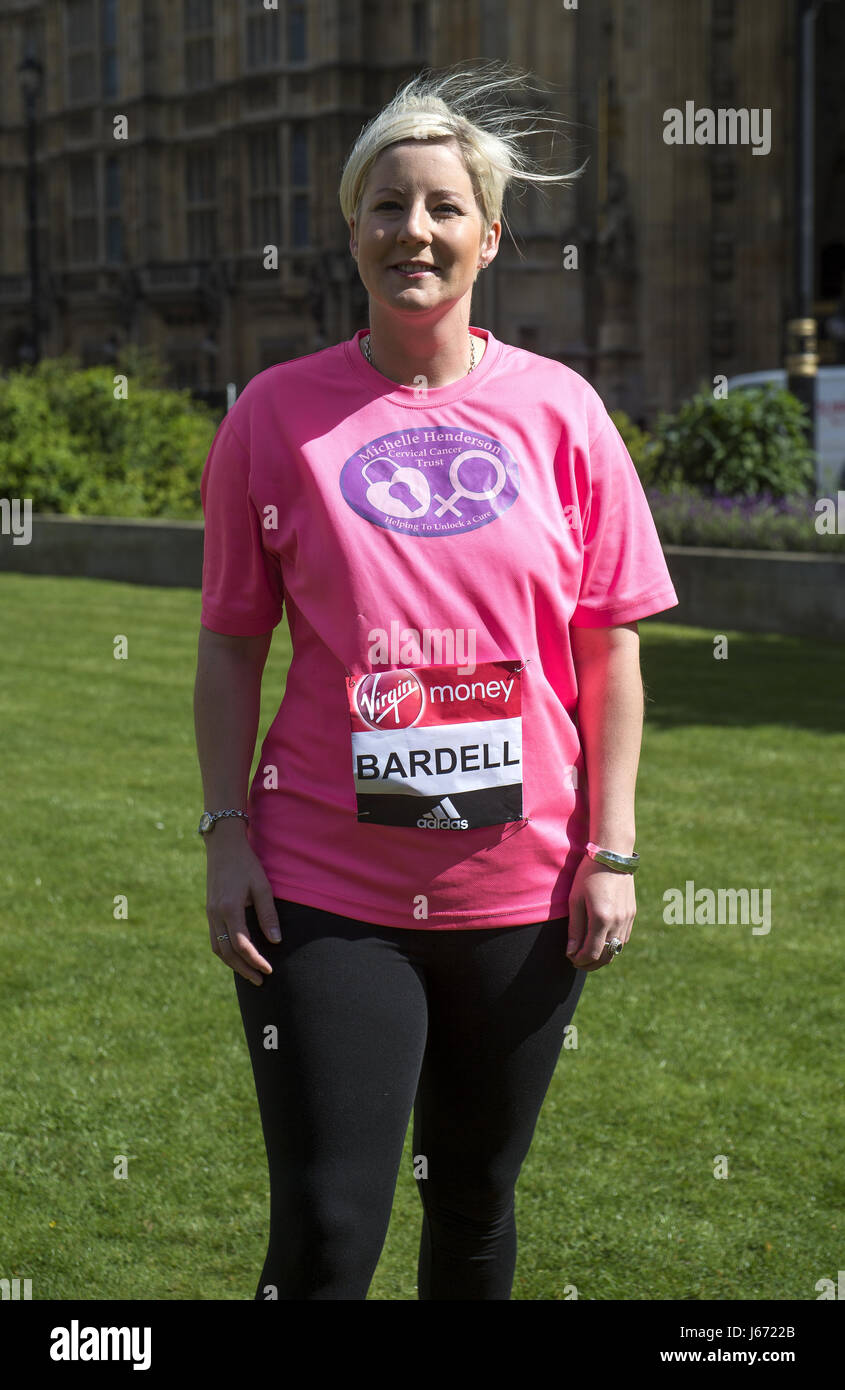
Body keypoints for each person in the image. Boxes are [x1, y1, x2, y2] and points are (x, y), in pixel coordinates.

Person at [193, 61, 679, 1301]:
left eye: (442, 207)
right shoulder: (274, 415)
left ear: (489, 234)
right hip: (326, 885)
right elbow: (232, 638)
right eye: (386, 206)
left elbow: (609, 644)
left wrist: (610, 850)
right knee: (327, 1227)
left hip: (522, 894)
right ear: (349, 228)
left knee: (472, 1208)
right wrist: (224, 835)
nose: (414, 230)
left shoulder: (561, 414)